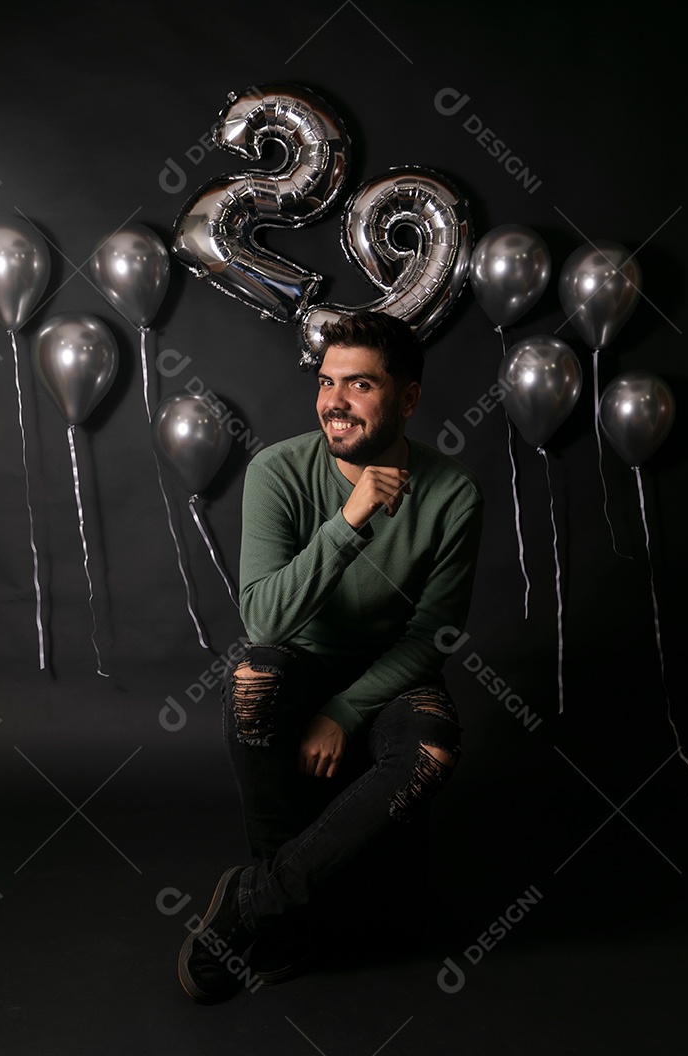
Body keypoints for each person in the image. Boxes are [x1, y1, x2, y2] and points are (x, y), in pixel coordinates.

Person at [178, 311, 483, 1004]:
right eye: (325, 382)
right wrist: (348, 522)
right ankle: (291, 917)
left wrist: (346, 712)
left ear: (408, 398)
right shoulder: (278, 471)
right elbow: (263, 619)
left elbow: (433, 635)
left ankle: (260, 902)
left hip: (392, 676)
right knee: (252, 677)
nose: (334, 402)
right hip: (299, 666)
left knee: (433, 747)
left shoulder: (454, 493)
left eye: (360, 384)